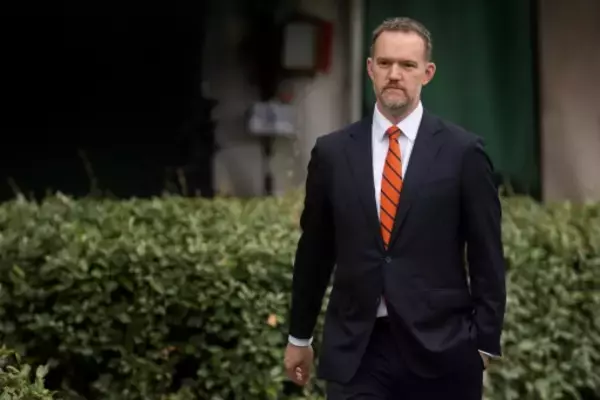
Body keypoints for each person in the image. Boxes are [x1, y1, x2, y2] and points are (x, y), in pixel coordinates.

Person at [283, 16, 506, 399]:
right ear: (370, 68)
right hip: (358, 352)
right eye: (385, 63)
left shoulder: (463, 153)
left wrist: (484, 343)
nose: (394, 75)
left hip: (443, 352)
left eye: (407, 65)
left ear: (427, 73)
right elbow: (315, 252)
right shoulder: (333, 153)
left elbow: (487, 253)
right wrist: (299, 336)